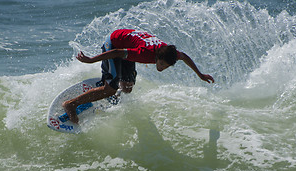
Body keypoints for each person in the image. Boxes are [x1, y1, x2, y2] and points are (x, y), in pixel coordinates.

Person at [63, 29, 214, 124]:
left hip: (127, 47)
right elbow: (116, 53)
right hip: (113, 44)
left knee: (127, 88)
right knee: (110, 89)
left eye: (165, 66)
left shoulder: (171, 54)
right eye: (160, 64)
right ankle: (71, 104)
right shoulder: (144, 53)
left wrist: (200, 74)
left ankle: (108, 90)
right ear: (156, 57)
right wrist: (90, 60)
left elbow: (185, 56)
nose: (161, 68)